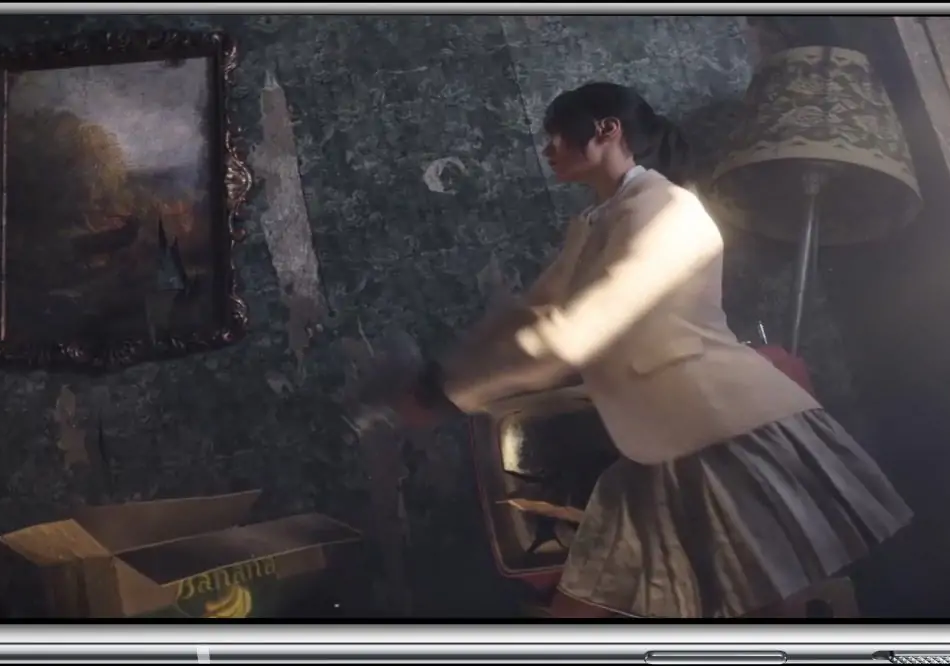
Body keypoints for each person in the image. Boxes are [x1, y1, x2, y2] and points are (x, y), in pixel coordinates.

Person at [386, 82, 914, 619]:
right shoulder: (597, 221)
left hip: (721, 432)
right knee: (597, 607)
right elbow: (532, 313)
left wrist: (448, 396)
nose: (548, 148)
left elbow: (574, 334)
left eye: (557, 134)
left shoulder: (666, 209)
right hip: (658, 443)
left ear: (607, 129)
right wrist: (442, 378)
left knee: (760, 608)